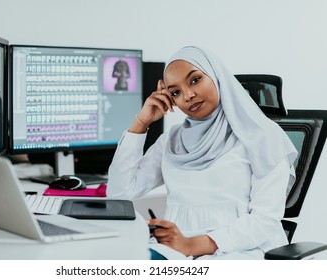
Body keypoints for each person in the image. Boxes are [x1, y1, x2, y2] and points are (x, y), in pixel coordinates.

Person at [106, 46, 298, 260]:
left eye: (195, 80)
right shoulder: (172, 140)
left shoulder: (263, 136)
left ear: (216, 77)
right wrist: (141, 123)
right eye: (175, 92)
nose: (188, 95)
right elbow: (119, 194)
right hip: (177, 250)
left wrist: (193, 245)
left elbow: (265, 222)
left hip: (239, 251)